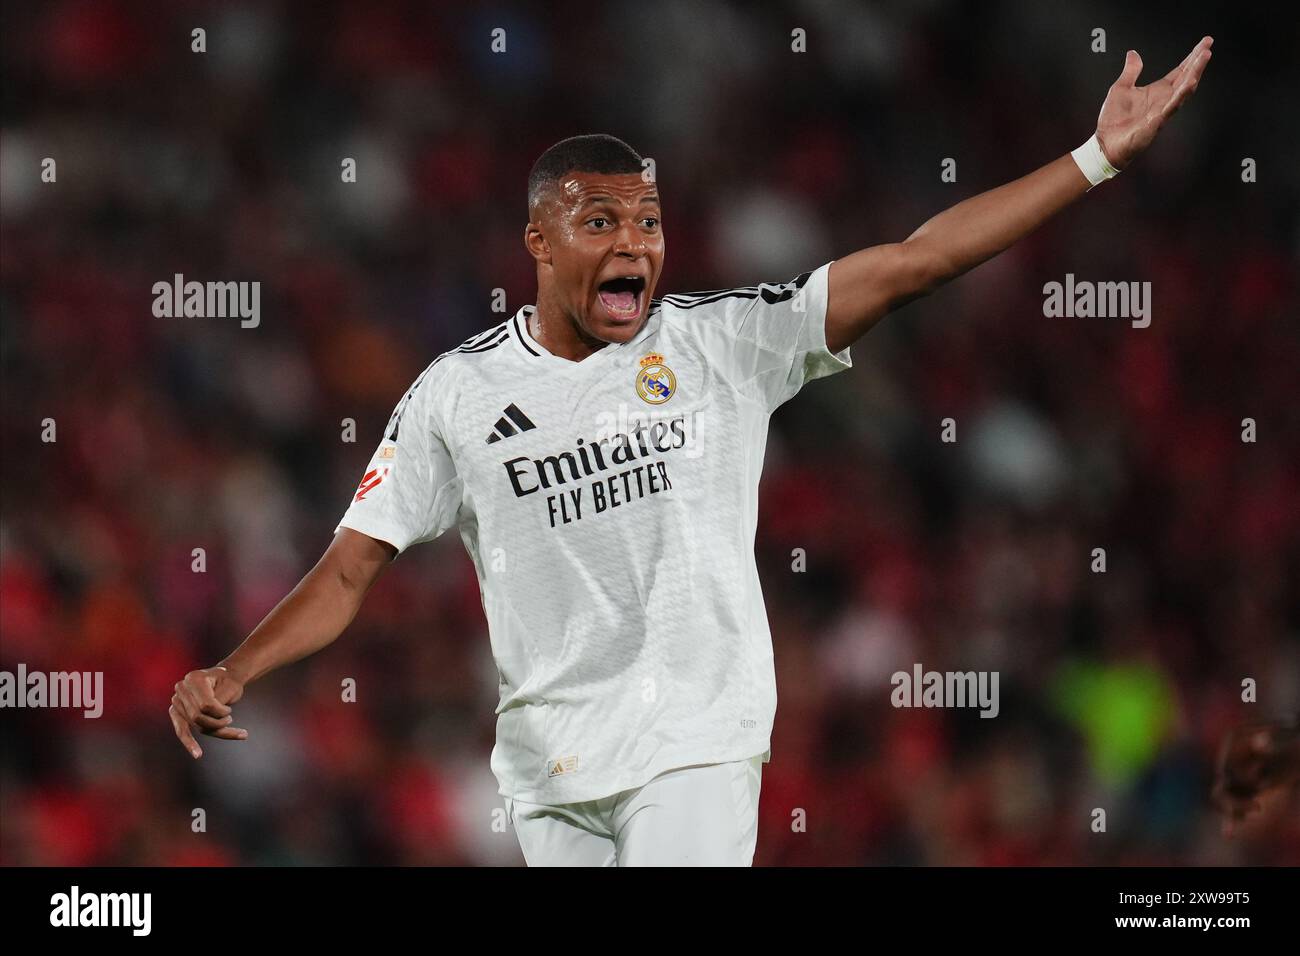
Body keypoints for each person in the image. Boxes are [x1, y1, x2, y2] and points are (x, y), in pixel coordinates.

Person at [170, 38, 1214, 866]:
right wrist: (232, 665)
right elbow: (352, 563)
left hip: (695, 742)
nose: (634, 245)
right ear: (538, 242)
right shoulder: (458, 392)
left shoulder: (722, 340)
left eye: (650, 221)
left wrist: (1094, 160)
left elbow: (913, 263)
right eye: (600, 223)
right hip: (548, 767)